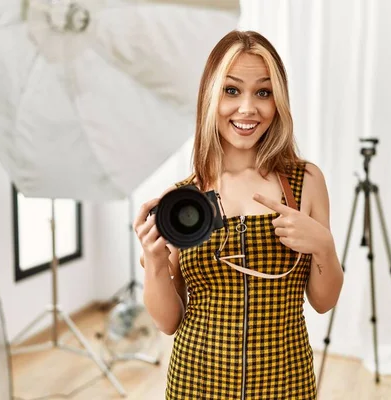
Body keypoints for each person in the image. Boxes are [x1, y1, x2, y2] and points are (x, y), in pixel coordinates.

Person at [133, 30, 344, 400]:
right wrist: (153, 262)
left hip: (286, 383)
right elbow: (168, 322)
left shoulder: (305, 181)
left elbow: (323, 302)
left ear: (278, 101)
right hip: (195, 383)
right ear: (210, 97)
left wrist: (324, 246)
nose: (248, 108)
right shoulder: (185, 200)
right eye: (232, 90)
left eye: (263, 92)